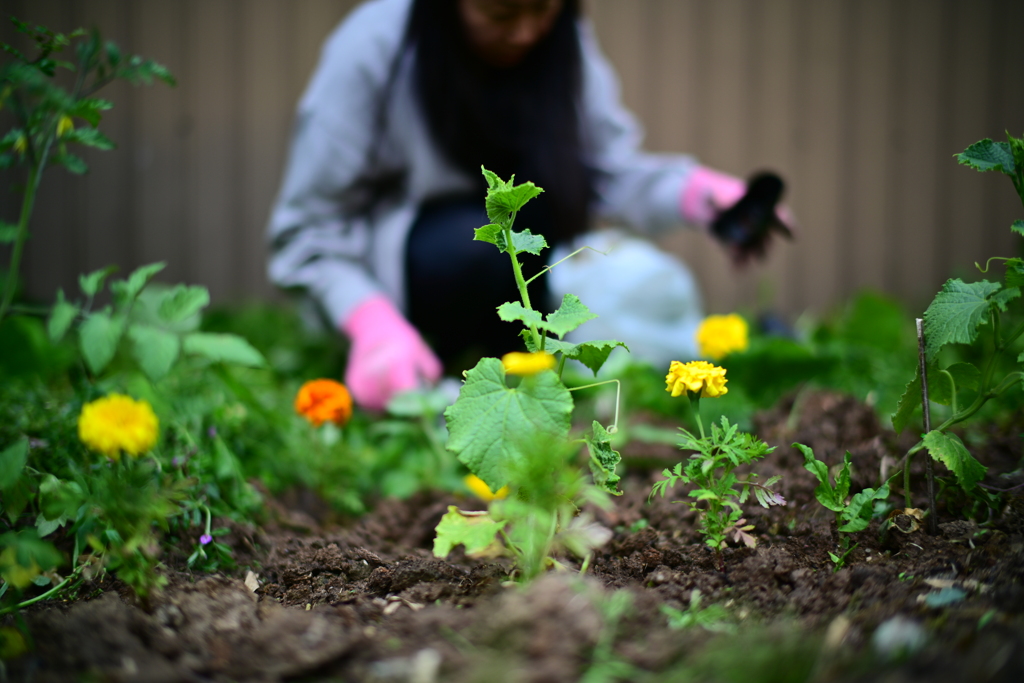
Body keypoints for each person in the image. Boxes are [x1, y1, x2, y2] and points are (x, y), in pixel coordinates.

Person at [267, 0, 787, 410]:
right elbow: (307, 233)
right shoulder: (374, 46)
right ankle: (435, 369)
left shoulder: (562, 42)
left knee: (619, 274)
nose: (524, 33)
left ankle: (706, 350)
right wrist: (371, 324)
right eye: (499, 13)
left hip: (528, 266)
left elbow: (607, 171)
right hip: (424, 271)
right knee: (475, 249)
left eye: (543, 9)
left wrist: (700, 195)